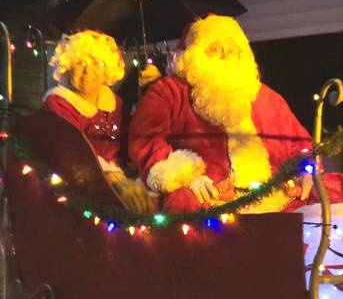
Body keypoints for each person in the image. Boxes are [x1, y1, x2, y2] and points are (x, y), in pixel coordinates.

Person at [128, 15, 312, 213]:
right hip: (209, 203)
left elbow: (301, 144)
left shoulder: (269, 99)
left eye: (232, 50)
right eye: (215, 49)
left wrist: (305, 171)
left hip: (275, 201)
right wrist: (185, 177)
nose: (225, 56)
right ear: (193, 54)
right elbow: (146, 140)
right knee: (180, 201)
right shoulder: (168, 92)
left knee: (327, 194)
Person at [44, 30, 153, 213]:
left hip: (119, 171)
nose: (88, 71)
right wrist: (112, 175)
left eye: (97, 64)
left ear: (106, 70)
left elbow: (130, 138)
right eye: (80, 63)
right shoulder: (58, 103)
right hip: (81, 176)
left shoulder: (115, 102)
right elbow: (73, 152)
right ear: (67, 66)